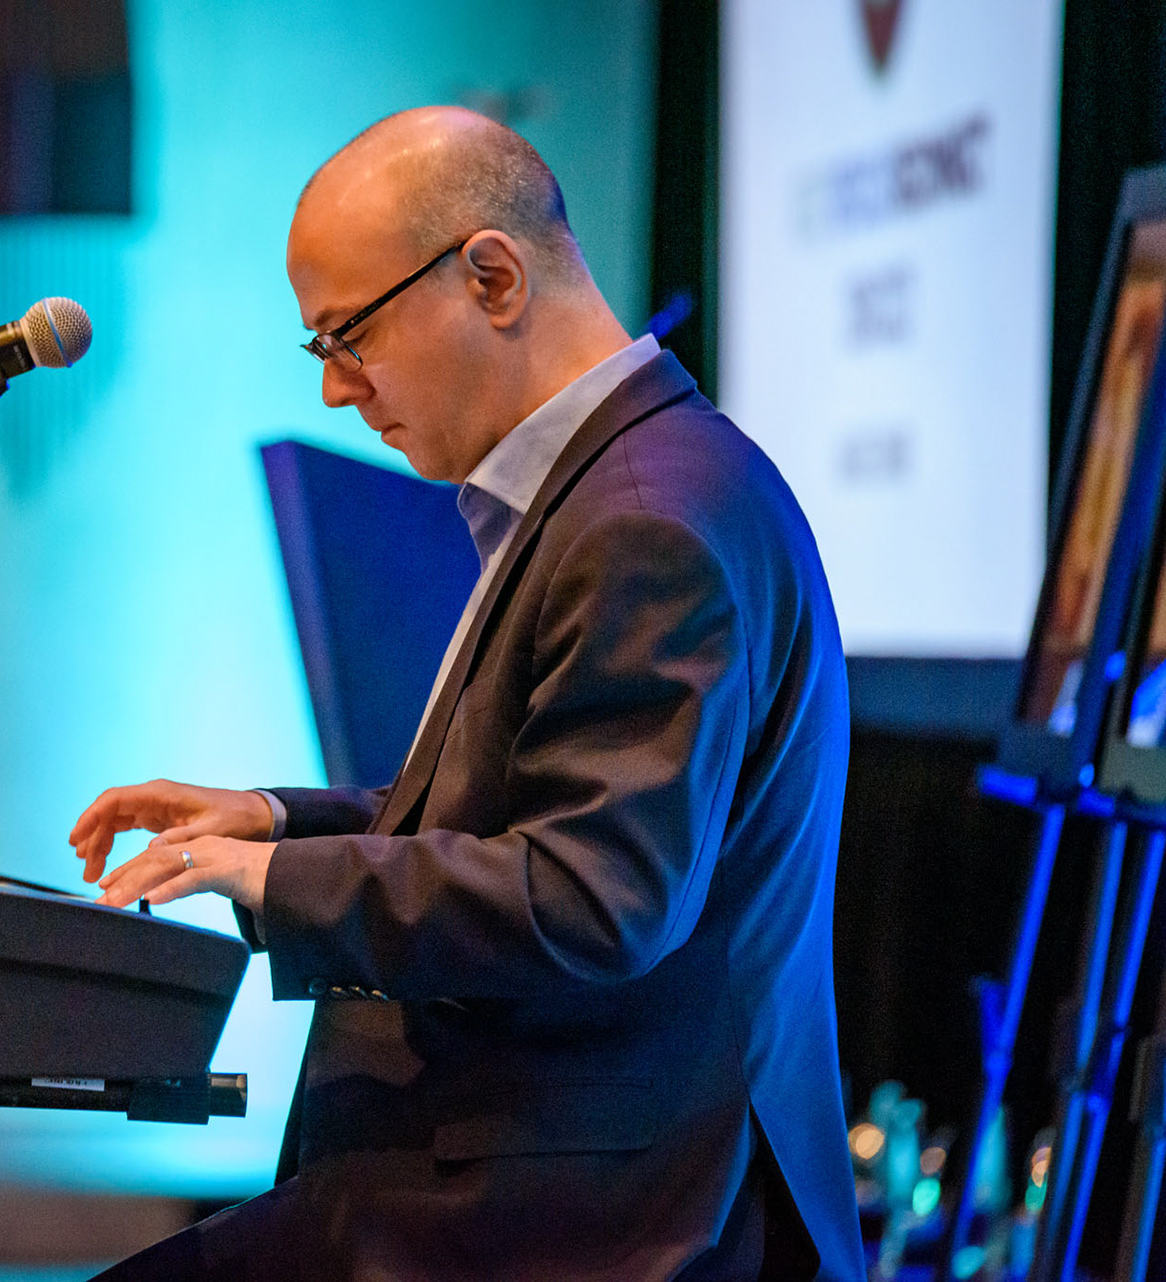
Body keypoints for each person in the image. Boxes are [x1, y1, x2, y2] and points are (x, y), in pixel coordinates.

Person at [69, 106, 862, 1281]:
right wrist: (274, 824)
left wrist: (277, 883)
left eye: (349, 336)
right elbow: (521, 812)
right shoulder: (621, 486)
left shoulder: (643, 519)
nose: (336, 390)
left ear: (492, 276)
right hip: (544, 1174)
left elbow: (594, 896)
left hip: (602, 1217)